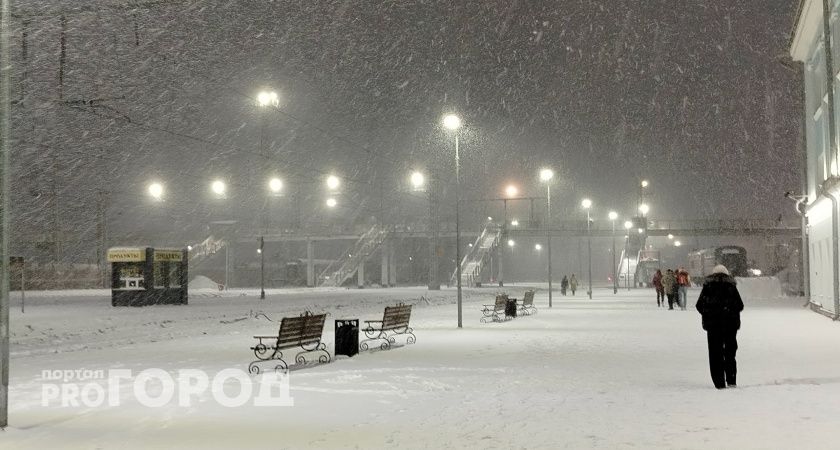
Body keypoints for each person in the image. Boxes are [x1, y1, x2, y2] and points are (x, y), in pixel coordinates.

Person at [695, 264, 744, 389]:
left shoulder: (708, 287)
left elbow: (699, 305)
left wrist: (709, 313)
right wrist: (729, 312)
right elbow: (740, 305)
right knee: (730, 353)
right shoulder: (731, 286)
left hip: (713, 326)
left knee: (715, 353)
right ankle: (731, 380)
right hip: (730, 325)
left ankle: (719, 382)